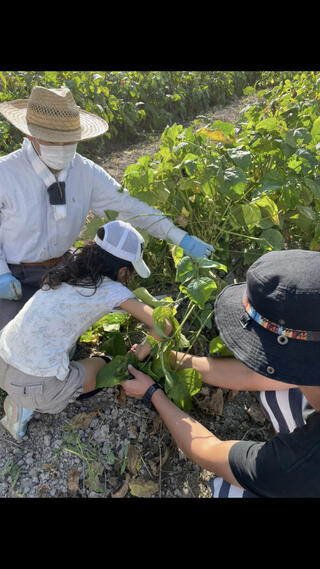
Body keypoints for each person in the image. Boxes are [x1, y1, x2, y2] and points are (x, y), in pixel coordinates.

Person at [0, 84, 213, 330]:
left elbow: (130, 207)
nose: (61, 149)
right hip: (16, 276)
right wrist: (2, 275)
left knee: (67, 333)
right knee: (11, 339)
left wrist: (181, 238)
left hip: (63, 270)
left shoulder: (85, 172)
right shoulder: (6, 173)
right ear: (30, 135)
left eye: (68, 141)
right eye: (52, 141)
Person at [121, 249, 320, 498]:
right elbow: (255, 375)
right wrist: (173, 359)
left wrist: (153, 393)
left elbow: (210, 452)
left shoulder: (302, 465)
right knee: (280, 392)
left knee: (231, 491)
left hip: (302, 473)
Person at [0, 220, 172, 442]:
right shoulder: (111, 289)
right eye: (130, 274)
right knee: (112, 366)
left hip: (3, 356)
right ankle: (25, 407)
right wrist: (139, 354)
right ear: (122, 271)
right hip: (37, 388)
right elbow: (163, 325)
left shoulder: (69, 267)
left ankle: (19, 393)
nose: (130, 279)